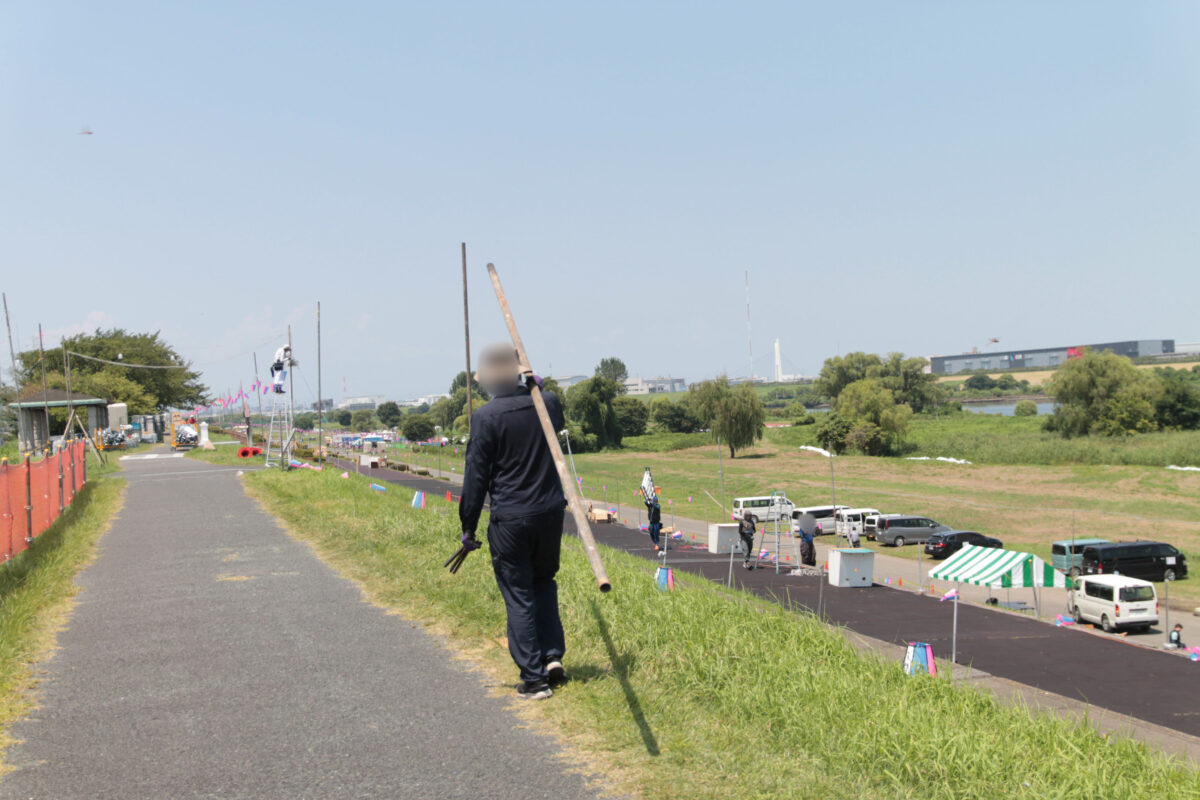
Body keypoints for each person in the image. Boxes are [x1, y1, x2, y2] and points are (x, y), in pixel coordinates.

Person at [459, 344, 568, 701]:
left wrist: (468, 527)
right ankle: (552, 657)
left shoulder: (487, 418)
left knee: (519, 594)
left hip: (511, 518)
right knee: (543, 581)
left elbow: (476, 477)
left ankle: (534, 679)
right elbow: (551, 404)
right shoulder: (546, 403)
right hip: (550, 514)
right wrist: (533, 380)